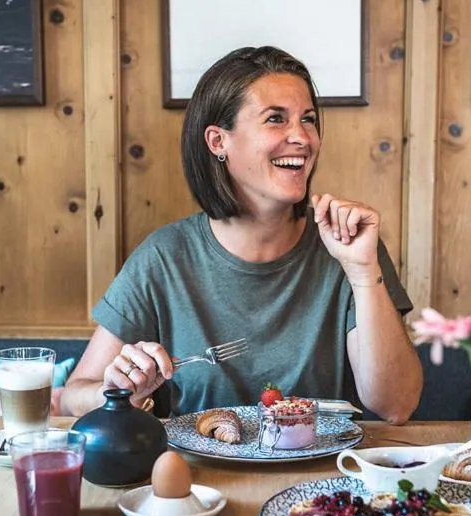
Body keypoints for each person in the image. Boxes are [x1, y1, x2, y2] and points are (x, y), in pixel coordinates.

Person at [60, 46, 423, 424]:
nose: (302, 137)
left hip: (326, 464)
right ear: (218, 142)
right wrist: (119, 391)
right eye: (275, 119)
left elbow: (396, 405)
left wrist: (363, 272)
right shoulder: (164, 257)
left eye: (308, 119)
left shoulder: (351, 246)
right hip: (192, 465)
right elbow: (72, 397)